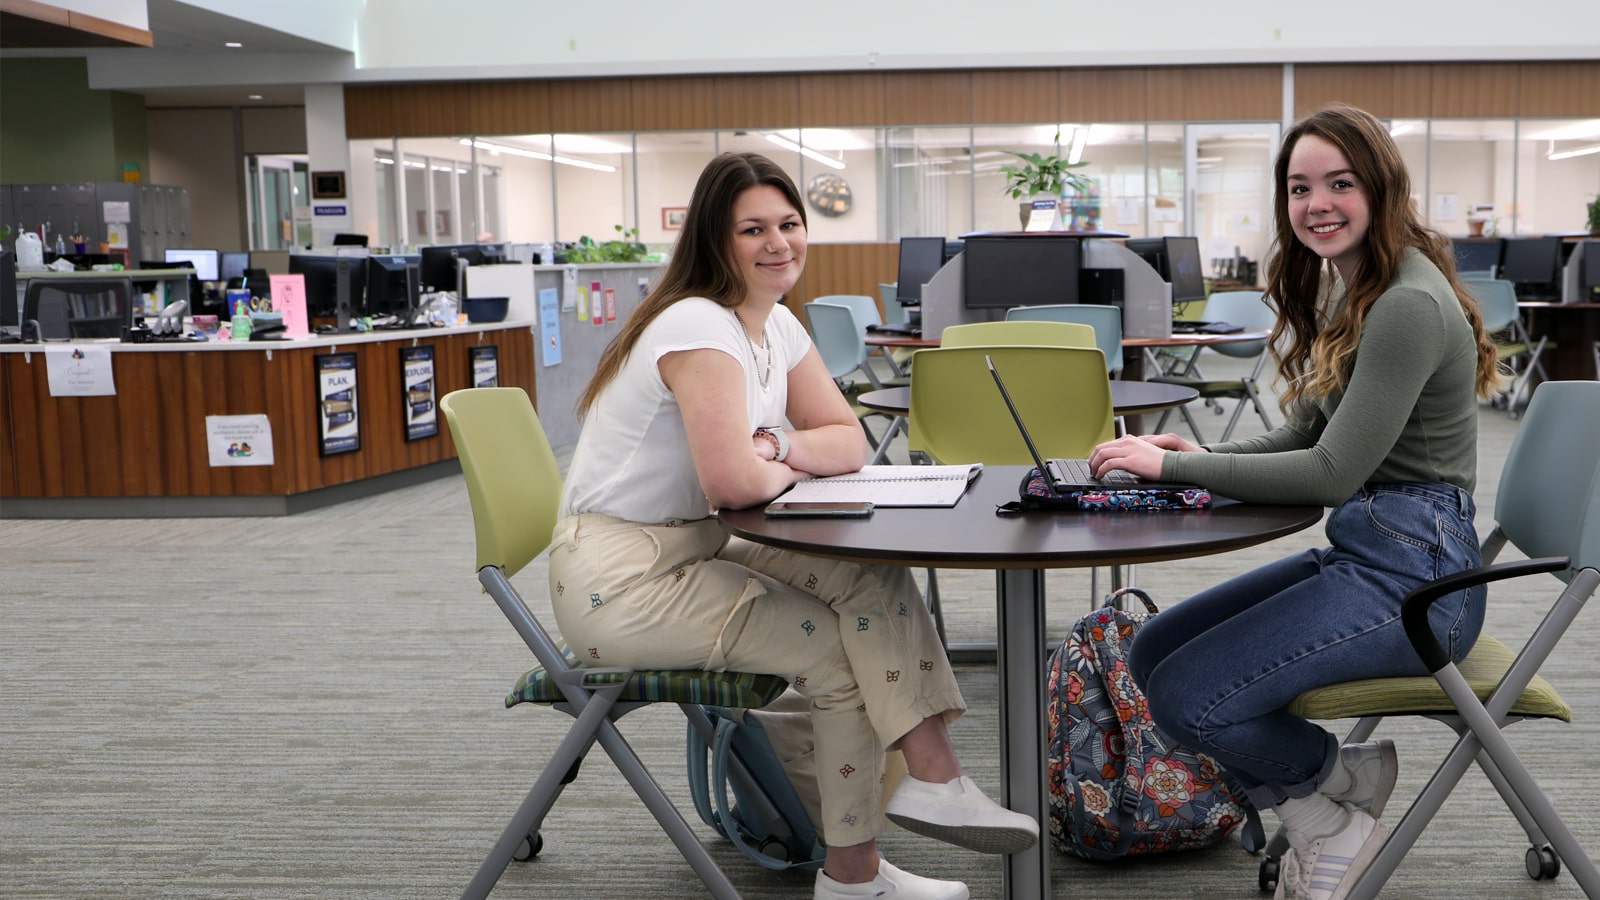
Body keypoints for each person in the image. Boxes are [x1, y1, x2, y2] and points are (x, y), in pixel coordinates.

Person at [547, 151, 1037, 900]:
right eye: (753, 229)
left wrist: (775, 446)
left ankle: (937, 780)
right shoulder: (697, 327)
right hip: (623, 580)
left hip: (697, 542)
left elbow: (845, 441)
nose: (779, 243)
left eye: (789, 223)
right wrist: (773, 464)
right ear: (716, 241)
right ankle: (853, 878)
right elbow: (733, 484)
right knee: (837, 657)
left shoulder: (775, 325)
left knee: (867, 571)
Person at [1087, 105, 1502, 900]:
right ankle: (1340, 780)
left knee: (1187, 697)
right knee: (1150, 657)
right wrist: (1195, 456)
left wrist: (1175, 473)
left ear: (1382, 187)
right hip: (1377, 551)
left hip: (1420, 583)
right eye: (1299, 187)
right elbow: (1301, 438)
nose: (1318, 203)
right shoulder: (1365, 290)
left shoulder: (1405, 305)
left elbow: (1329, 474)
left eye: (1340, 183)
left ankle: (1327, 815)